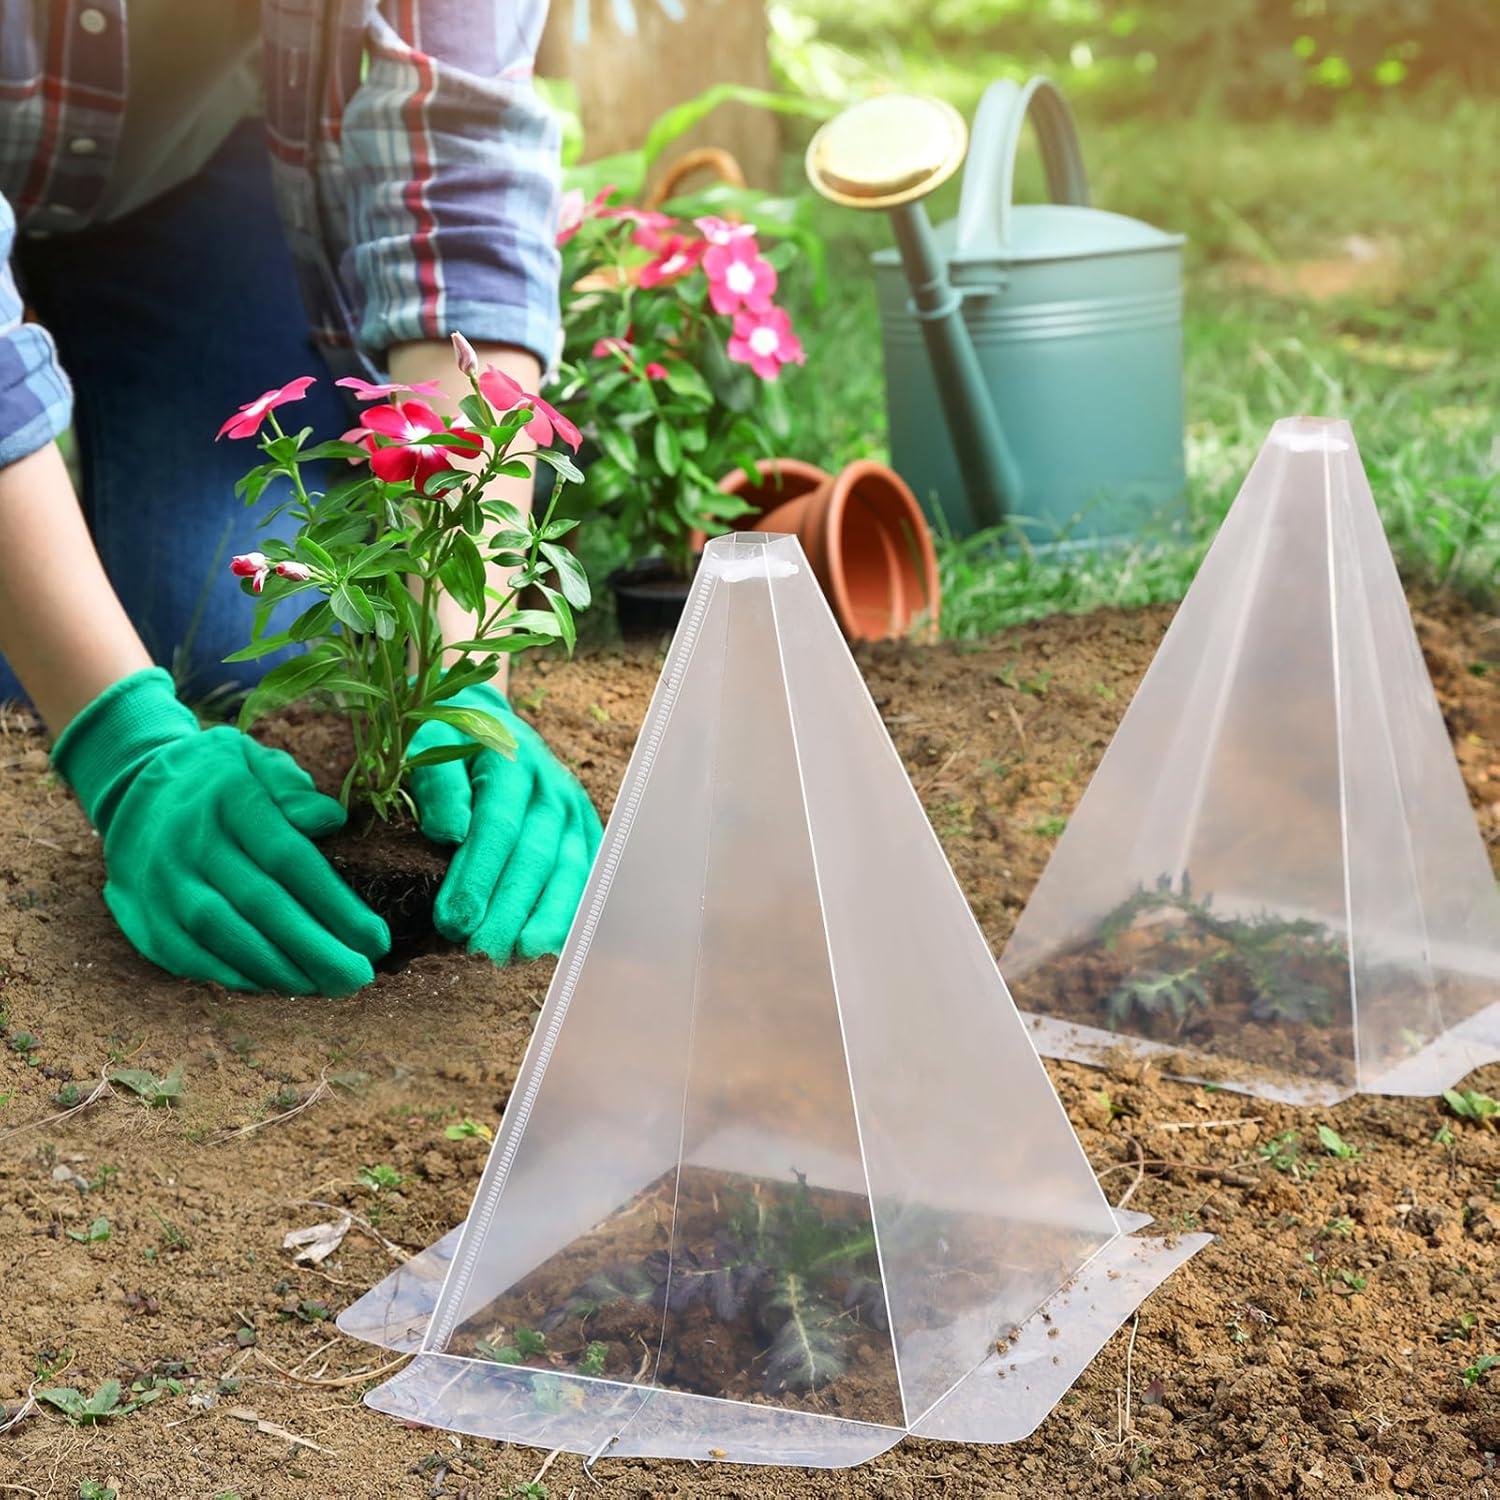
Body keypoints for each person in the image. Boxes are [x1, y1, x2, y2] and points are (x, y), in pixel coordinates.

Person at [0, 1, 600, 995]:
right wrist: (118, 738)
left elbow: (461, 169)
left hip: (170, 173)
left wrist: (457, 675)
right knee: (61, 661)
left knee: (239, 626)